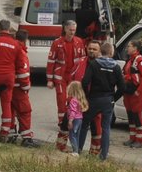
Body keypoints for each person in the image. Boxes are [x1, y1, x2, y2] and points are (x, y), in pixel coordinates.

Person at [81, 39, 125, 160]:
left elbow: (84, 82)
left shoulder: (94, 64)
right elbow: (122, 87)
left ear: (101, 51)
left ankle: (78, 150)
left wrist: (86, 95)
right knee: (106, 128)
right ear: (111, 53)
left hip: (93, 98)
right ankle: (103, 156)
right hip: (108, 100)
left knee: (84, 124)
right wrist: (113, 99)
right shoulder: (116, 67)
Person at [47, 19, 85, 151]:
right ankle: (62, 123)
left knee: (72, 101)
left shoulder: (79, 42)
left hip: (73, 77)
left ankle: (70, 120)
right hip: (61, 77)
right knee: (62, 100)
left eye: (74, 30)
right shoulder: (57, 43)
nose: (72, 33)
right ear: (65, 29)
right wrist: (49, 79)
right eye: (70, 30)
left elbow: (82, 60)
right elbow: (51, 61)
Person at [11, 28, 39, 146]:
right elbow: (22, 72)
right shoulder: (21, 52)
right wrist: (26, 86)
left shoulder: (12, 49)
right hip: (18, 88)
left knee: (11, 110)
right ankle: (27, 138)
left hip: (10, 86)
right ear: (26, 40)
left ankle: (11, 134)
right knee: (25, 111)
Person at [122, 38, 142, 147]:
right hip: (129, 92)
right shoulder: (130, 60)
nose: (127, 48)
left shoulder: (140, 61)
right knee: (130, 114)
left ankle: (140, 140)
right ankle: (132, 137)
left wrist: (138, 91)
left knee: (136, 115)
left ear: (135, 48)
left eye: (129, 46)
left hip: (137, 93)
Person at [65, 79, 89, 154]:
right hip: (80, 119)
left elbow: (73, 111)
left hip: (74, 119)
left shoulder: (73, 100)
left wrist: (70, 121)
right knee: (77, 135)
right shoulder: (80, 99)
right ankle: (77, 150)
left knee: (72, 135)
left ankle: (75, 151)